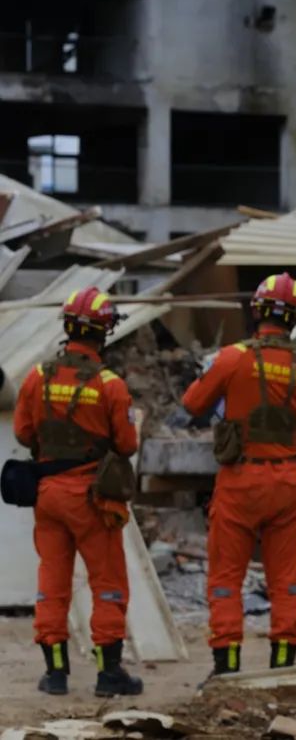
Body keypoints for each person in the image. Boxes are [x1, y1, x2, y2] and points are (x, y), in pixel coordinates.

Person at [182, 272, 296, 675]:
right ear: (295, 319)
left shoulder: (232, 357)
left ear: (256, 310)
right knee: (287, 578)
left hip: (241, 481)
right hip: (288, 483)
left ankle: (226, 667)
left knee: (227, 577)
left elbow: (193, 404)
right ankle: (283, 668)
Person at [14, 287, 142, 697]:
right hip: (92, 498)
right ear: (103, 333)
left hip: (48, 495)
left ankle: (54, 674)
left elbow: (22, 432)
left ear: (68, 327)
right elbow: (127, 445)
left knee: (52, 582)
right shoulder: (110, 385)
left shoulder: (38, 377)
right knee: (107, 583)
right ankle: (109, 676)